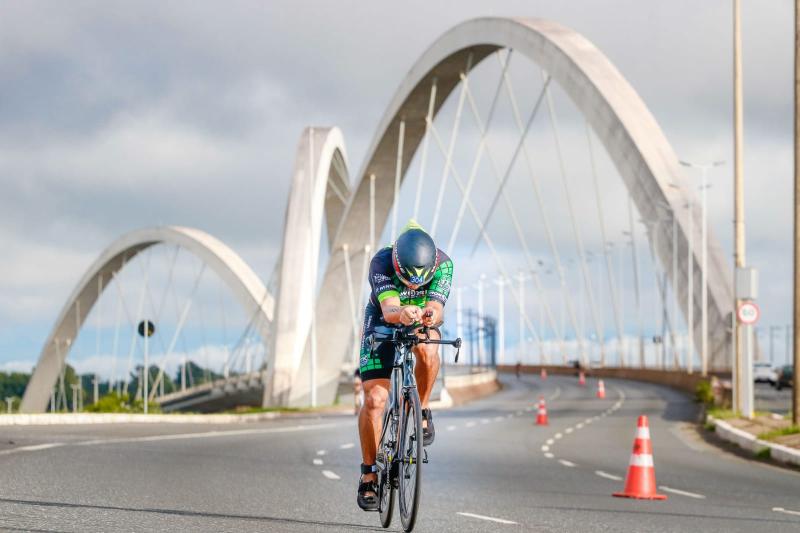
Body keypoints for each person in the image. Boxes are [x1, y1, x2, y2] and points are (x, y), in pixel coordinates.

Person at [356, 220, 453, 511]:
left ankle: (421, 409)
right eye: (407, 278)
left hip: (419, 317)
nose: (413, 284)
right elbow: (389, 309)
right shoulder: (382, 262)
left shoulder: (444, 264)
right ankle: (369, 474)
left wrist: (429, 316)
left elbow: (437, 308)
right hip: (384, 318)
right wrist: (403, 311)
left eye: (419, 280)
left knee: (427, 350)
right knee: (375, 400)